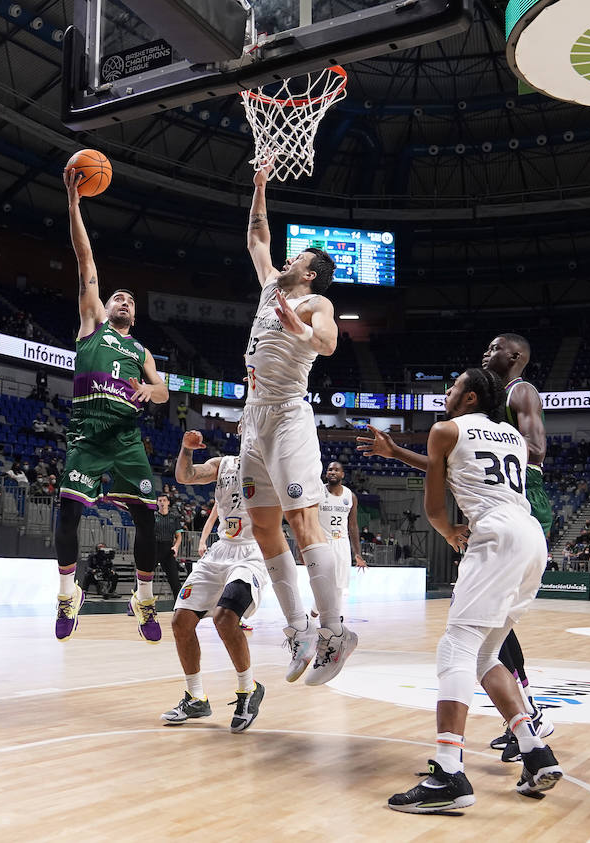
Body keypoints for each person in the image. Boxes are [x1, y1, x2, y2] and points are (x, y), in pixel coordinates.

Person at [360, 334, 556, 762]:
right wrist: (397, 453)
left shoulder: (514, 394)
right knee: (489, 646)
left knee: (459, 645)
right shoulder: (503, 433)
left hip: (513, 517)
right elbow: (456, 463)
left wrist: (449, 531)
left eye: (496, 349)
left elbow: (445, 487)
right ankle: (531, 738)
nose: (488, 353)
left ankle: (449, 767)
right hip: (526, 530)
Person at [242, 159, 350, 685]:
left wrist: (300, 330)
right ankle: (298, 628)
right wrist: (260, 187)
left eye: (298, 257)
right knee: (262, 525)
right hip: (251, 419)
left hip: (287, 415)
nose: (285, 257)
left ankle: (334, 631)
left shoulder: (315, 301)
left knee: (302, 521)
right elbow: (257, 236)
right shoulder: (269, 287)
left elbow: (329, 344)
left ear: (308, 273)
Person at [53, 167, 170, 643]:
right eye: (116, 296)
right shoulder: (92, 325)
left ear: (135, 314)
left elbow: (162, 390)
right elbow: (86, 261)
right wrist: (75, 204)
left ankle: (143, 599)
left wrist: (150, 391)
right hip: (86, 431)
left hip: (125, 436)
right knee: (68, 512)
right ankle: (67, 594)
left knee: (146, 517)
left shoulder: (141, 352)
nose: (121, 301)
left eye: (128, 300)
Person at [164, 429, 269, 732]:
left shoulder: (275, 463)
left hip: (253, 552)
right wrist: (186, 449)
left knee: (225, 619)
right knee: (180, 621)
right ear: (240, 431)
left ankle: (248, 689)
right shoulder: (223, 464)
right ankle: (196, 697)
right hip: (221, 550)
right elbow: (185, 476)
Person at [315, 461, 365, 613]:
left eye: (336, 470)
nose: (332, 472)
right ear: (326, 473)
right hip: (322, 542)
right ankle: (316, 614)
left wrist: (357, 553)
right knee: (323, 583)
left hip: (341, 543)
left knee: (339, 584)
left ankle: (333, 616)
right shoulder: (318, 492)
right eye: (330, 469)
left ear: (342, 474)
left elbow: (353, 526)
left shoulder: (350, 496)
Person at [153, 493, 185, 597]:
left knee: (175, 580)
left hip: (168, 549)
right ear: (157, 503)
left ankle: (179, 606)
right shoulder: (153, 516)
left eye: (164, 500)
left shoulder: (174, 517)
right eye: (160, 500)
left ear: (168, 502)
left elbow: (179, 536)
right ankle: (135, 603)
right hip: (155, 548)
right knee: (145, 576)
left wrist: (176, 547)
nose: (162, 502)